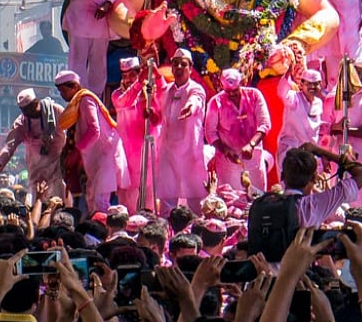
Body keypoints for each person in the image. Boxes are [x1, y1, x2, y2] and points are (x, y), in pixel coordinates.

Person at [54, 69, 129, 213]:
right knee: (93, 200)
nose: (62, 95)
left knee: (100, 203)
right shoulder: (78, 102)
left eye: (63, 91)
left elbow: (95, 130)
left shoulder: (85, 99)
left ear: (75, 87)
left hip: (104, 156)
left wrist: (77, 152)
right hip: (95, 159)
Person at [0, 88, 67, 200]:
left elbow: (72, 129)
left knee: (60, 199)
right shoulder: (21, 123)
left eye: (30, 109)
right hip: (37, 171)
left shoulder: (56, 111)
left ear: (36, 102)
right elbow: (9, 146)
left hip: (59, 166)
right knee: (36, 202)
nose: (28, 113)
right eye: (24, 110)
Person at [154, 49, 207, 214]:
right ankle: (165, 236)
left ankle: (198, 235)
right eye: (175, 63)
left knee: (195, 200)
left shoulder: (196, 89)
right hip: (169, 151)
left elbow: (196, 100)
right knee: (167, 200)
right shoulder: (167, 91)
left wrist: (190, 107)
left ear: (190, 69)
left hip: (189, 152)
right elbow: (160, 116)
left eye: (183, 64)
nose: (178, 67)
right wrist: (151, 115)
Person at [324, 59, 362, 204]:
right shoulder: (335, 97)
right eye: (359, 73)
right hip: (340, 158)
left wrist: (346, 130)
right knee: (340, 202)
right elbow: (326, 127)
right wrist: (336, 128)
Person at [204, 68, 271, 194]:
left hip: (253, 159)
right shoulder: (216, 102)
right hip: (228, 163)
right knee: (231, 203)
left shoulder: (255, 95)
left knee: (257, 199)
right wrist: (225, 150)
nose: (232, 95)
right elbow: (210, 133)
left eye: (235, 90)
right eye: (228, 91)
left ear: (242, 83)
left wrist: (251, 145)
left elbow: (265, 124)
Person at [111, 56, 160, 213]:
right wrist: (139, 83)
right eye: (124, 76)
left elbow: (158, 119)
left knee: (150, 195)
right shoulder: (117, 95)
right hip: (126, 156)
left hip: (146, 153)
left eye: (132, 75)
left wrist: (151, 112)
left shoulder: (147, 93)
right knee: (127, 197)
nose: (127, 79)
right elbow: (123, 103)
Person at [276, 68, 324, 175]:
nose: (312, 87)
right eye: (309, 84)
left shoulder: (319, 103)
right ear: (302, 84)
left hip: (310, 154)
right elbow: (282, 92)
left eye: (315, 84)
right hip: (291, 151)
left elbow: (317, 128)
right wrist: (288, 72)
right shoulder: (294, 98)